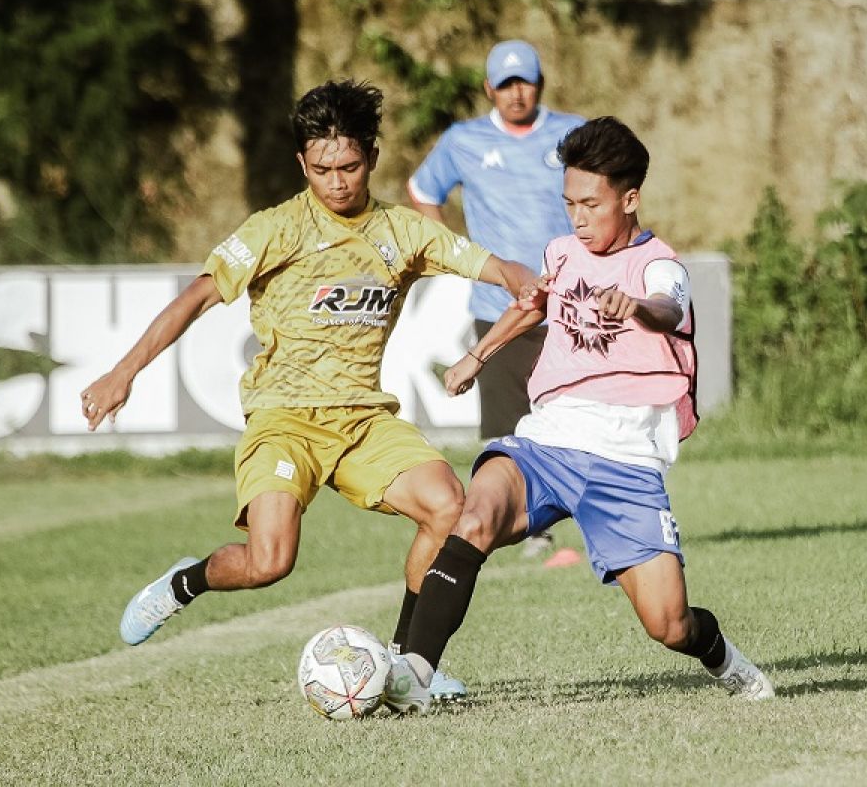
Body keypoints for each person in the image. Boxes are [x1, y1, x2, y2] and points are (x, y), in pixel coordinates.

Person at [79, 80, 534, 704]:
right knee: (269, 562)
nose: (337, 181)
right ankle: (186, 582)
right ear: (302, 164)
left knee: (448, 506)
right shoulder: (276, 229)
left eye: (349, 166)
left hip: (363, 422)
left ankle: (406, 667)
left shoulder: (402, 232)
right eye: (321, 169)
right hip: (283, 419)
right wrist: (123, 371)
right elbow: (196, 297)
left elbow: (489, 264)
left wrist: (519, 278)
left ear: (371, 157)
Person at [384, 117, 775, 713]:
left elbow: (669, 308)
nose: (578, 217)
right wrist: (476, 356)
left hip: (626, 460)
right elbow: (531, 307)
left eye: (591, 204)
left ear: (630, 197)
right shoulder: (562, 253)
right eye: (569, 203)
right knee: (474, 515)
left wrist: (638, 307)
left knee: (669, 625)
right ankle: (414, 674)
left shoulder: (660, 266)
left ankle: (722, 656)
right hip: (549, 439)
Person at [408, 39, 583, 558]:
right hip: (497, 307)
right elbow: (422, 192)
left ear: (540, 84)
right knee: (508, 426)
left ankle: (586, 513)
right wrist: (455, 253)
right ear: (489, 88)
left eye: (524, 81)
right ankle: (531, 530)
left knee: (575, 414)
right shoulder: (464, 140)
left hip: (569, 302)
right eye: (505, 84)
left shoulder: (573, 132)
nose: (516, 92)